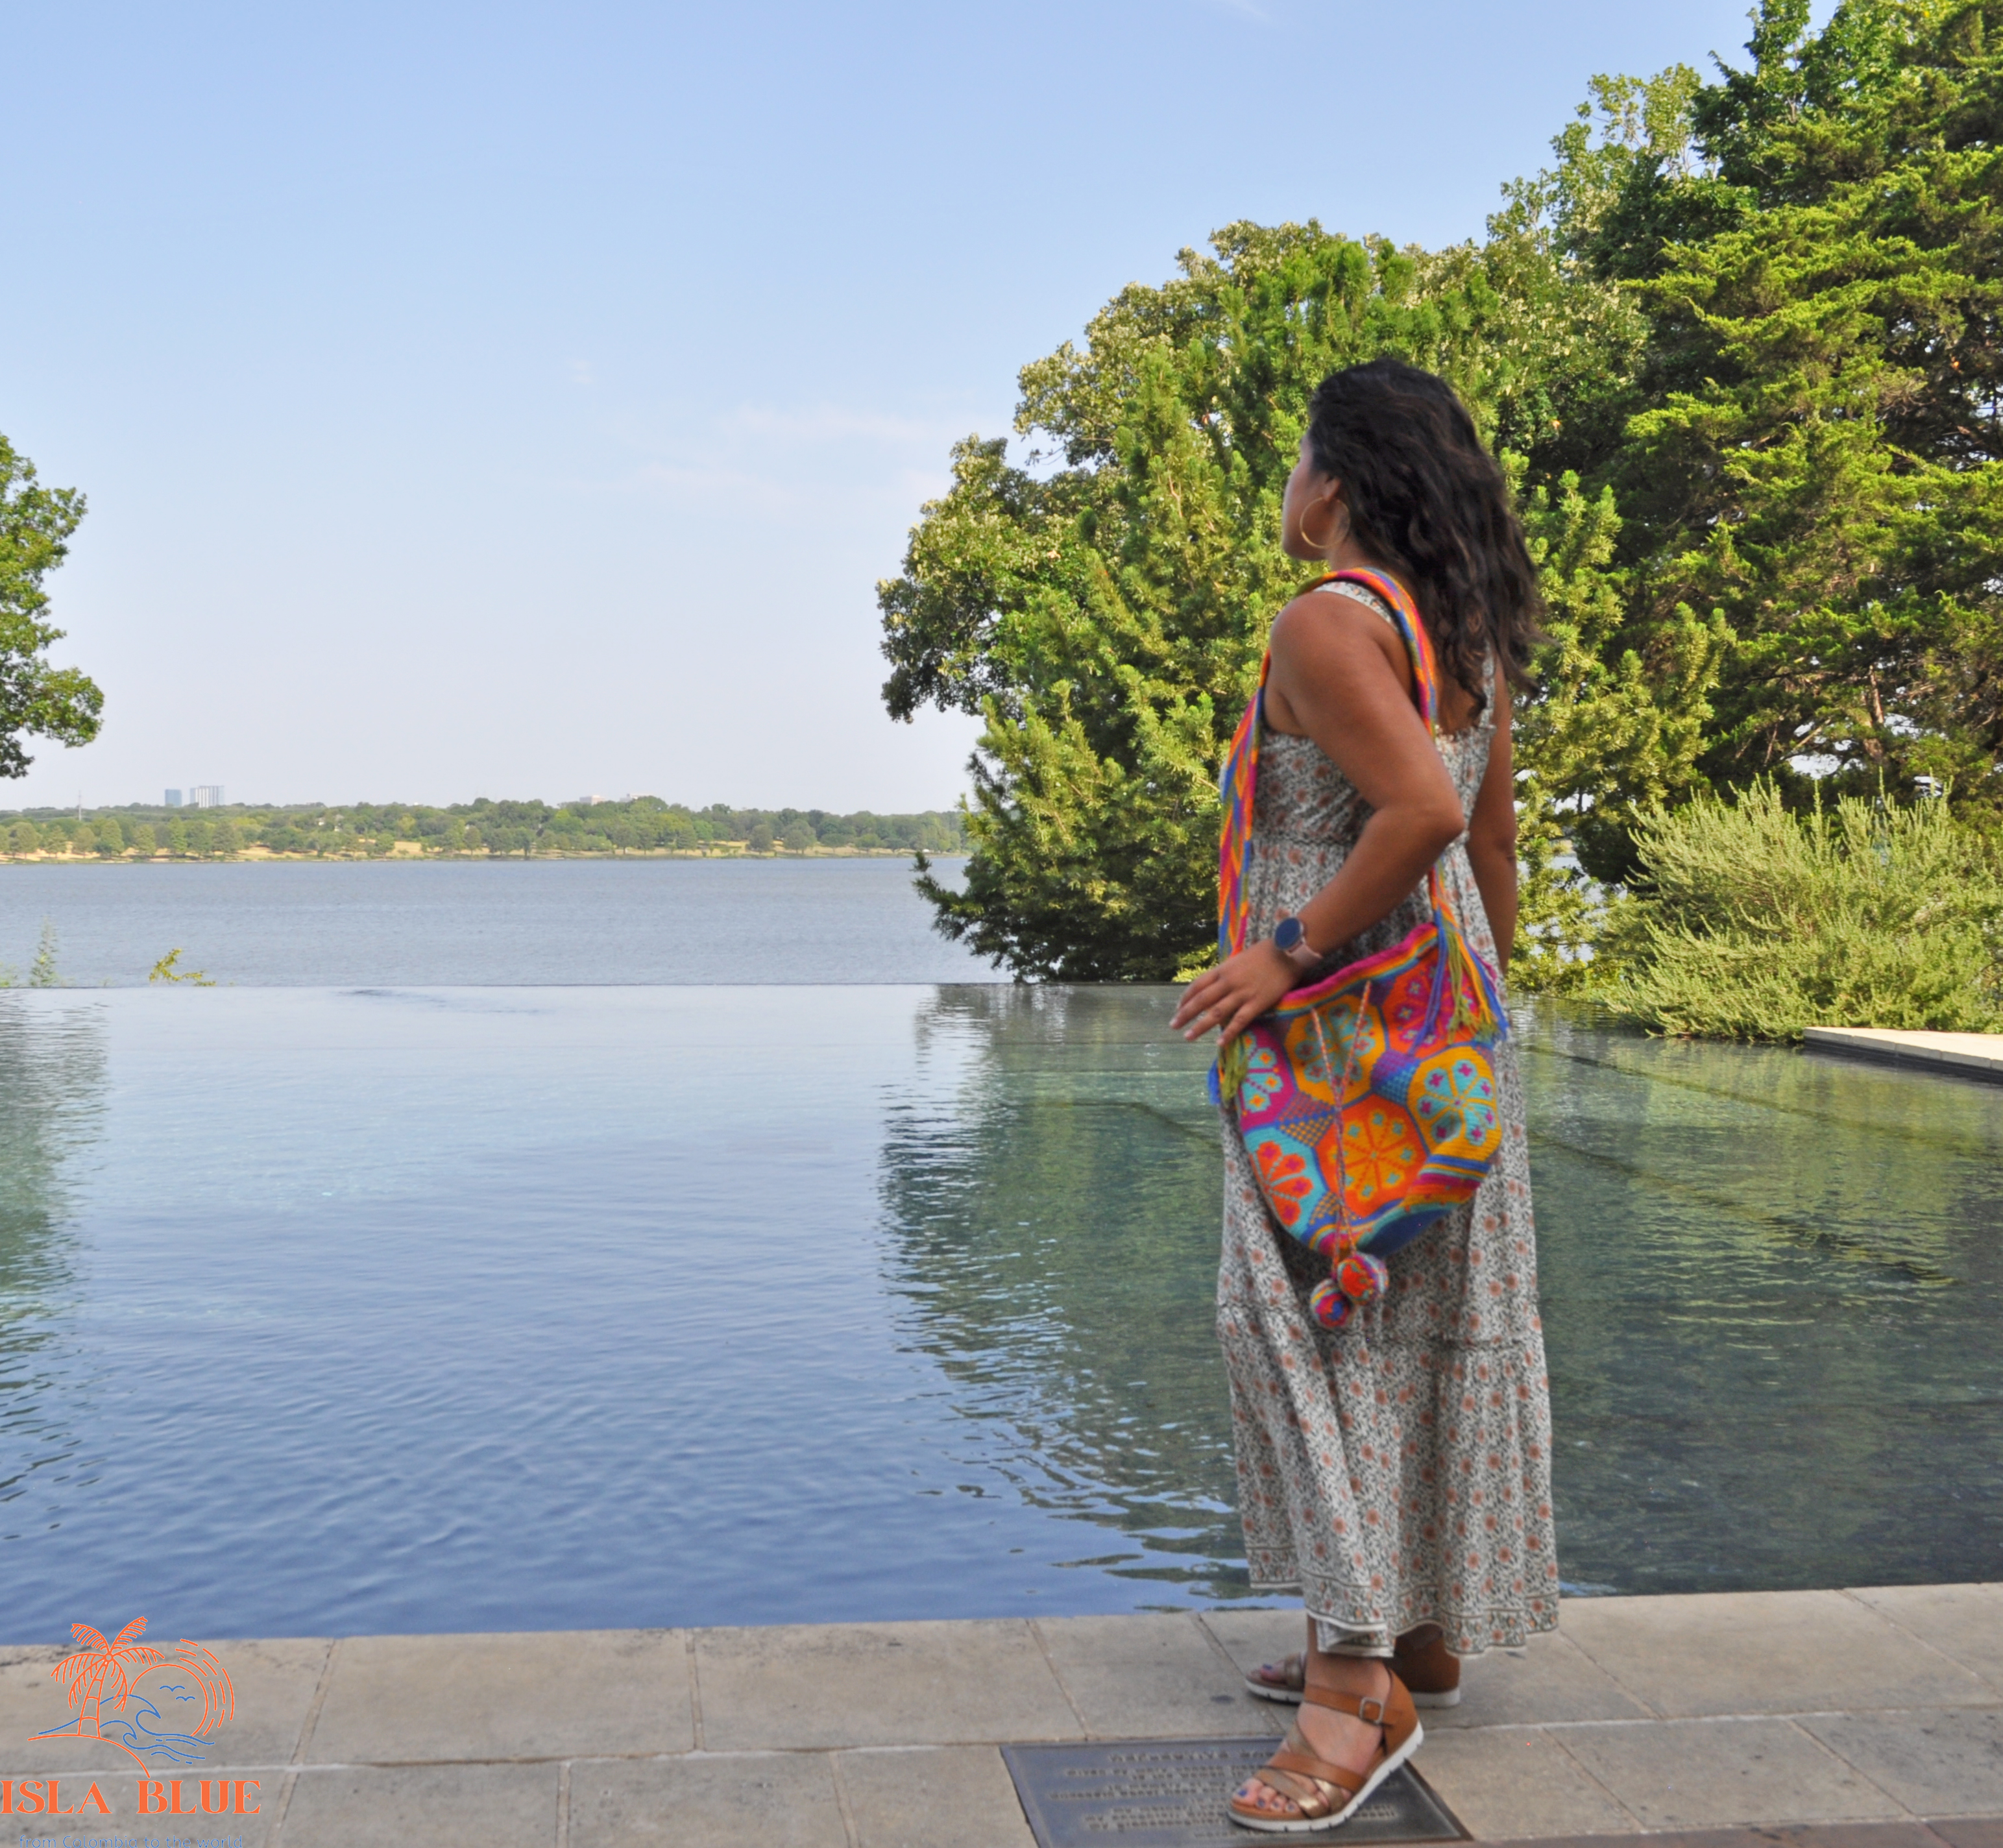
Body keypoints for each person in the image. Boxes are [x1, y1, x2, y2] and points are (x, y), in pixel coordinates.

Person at [1171, 358, 1558, 1833]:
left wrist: (1285, 951)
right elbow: (1494, 858)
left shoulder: (1325, 621)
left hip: (1336, 1031)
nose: (1283, 482)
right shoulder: (1454, 632)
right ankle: (1421, 1629)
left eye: (1291, 456)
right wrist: (1471, 1029)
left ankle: (1353, 1689)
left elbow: (1426, 811)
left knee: (1299, 1320)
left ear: (1330, 480)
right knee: (1414, 1319)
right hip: (1436, 1019)